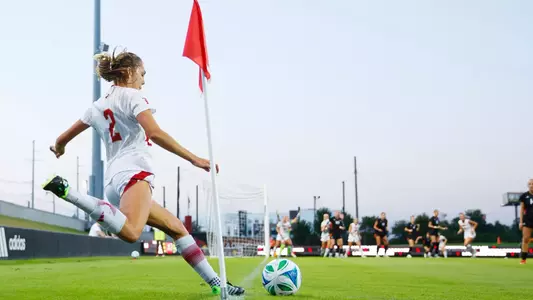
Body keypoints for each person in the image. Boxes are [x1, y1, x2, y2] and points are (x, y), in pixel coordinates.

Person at [41, 49, 244, 296]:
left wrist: (59, 147)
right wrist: (195, 159)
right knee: (132, 233)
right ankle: (69, 193)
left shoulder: (97, 106)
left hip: (115, 181)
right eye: (142, 73)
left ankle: (219, 285)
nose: (144, 80)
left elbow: (63, 138)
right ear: (129, 72)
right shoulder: (133, 97)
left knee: (177, 227)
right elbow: (155, 133)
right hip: (134, 173)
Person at [519, 179, 533, 264]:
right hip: (528, 220)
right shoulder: (524, 196)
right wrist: (521, 222)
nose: (531, 185)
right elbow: (521, 209)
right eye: (530, 184)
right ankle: (523, 259)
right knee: (525, 239)